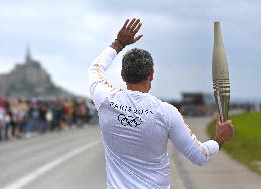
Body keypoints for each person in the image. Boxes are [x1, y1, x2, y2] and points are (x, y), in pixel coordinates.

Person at [88, 18, 233, 189]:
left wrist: (118, 43)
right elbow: (200, 156)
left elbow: (95, 69)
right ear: (151, 75)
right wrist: (219, 138)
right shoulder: (166, 112)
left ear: (123, 75)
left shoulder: (105, 99)